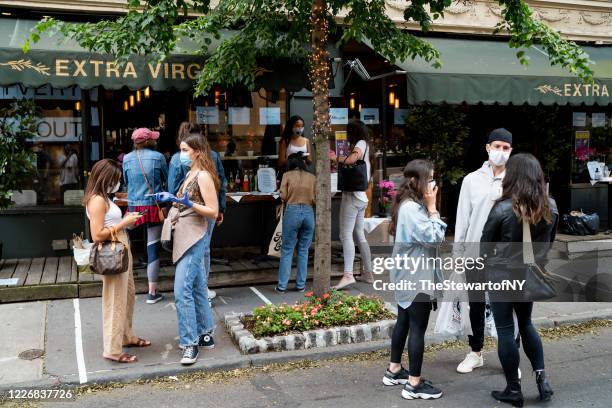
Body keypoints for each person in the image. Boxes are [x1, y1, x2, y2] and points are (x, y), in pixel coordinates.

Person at [480, 153, 558, 406]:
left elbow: (483, 247)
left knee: (505, 330)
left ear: (512, 176)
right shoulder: (551, 207)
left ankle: (513, 389)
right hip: (530, 277)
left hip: (502, 276)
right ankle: (542, 380)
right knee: (526, 324)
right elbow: (548, 244)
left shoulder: (502, 207)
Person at [151, 131, 219, 365]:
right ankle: (205, 333)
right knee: (198, 285)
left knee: (182, 292)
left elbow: (213, 211)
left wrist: (188, 203)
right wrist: (175, 199)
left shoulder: (203, 176)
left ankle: (190, 343)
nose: (180, 155)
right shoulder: (192, 173)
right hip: (187, 234)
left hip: (194, 236)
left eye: (184, 150)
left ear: (197, 152)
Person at [382, 159, 445, 400]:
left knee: (404, 322)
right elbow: (434, 238)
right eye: (430, 179)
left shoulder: (406, 204)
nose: (433, 183)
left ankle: (394, 369)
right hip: (417, 276)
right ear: (416, 181)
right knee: (417, 328)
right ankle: (414, 384)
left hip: (406, 274)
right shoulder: (414, 208)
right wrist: (433, 208)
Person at [455, 128, 514, 374]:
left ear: (511, 151)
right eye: (497, 146)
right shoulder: (471, 180)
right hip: (474, 253)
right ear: (487, 147)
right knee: (476, 304)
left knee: (508, 306)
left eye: (505, 148)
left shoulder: (516, 180)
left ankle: (510, 356)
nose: (500, 152)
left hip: (506, 257)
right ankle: (476, 352)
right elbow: (463, 219)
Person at [84, 159, 151, 363]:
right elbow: (97, 235)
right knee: (115, 299)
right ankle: (112, 349)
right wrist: (124, 222)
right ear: (106, 178)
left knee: (127, 294)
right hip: (112, 250)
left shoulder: (104, 197)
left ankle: (125, 336)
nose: (118, 183)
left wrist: (125, 221)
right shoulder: (97, 200)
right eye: (116, 179)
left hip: (120, 247)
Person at [168, 122, 227, 301]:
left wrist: (173, 203)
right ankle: (203, 290)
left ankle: (194, 290)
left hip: (187, 213)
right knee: (204, 250)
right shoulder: (213, 155)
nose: (183, 153)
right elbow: (221, 182)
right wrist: (221, 208)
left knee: (187, 251)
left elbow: (172, 186)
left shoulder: (176, 159)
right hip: (207, 209)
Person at [122, 128, 168, 304]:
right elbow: (166, 179)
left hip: (134, 207)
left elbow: (126, 182)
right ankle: (152, 293)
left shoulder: (126, 158)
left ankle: (122, 287)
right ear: (149, 141)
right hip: (152, 206)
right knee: (152, 248)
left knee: (124, 245)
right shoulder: (158, 157)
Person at [329, 120, 374, 289]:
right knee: (358, 234)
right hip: (360, 196)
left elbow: (352, 159)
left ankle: (348, 275)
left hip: (352, 196)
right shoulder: (366, 145)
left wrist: (336, 158)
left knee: (345, 235)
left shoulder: (360, 143)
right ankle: (368, 273)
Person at [276, 152, 316, 293]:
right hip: (309, 212)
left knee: (287, 250)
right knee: (304, 250)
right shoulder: (312, 177)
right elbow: (316, 198)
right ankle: (300, 285)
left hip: (292, 211)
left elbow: (283, 196)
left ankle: (282, 286)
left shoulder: (287, 176)